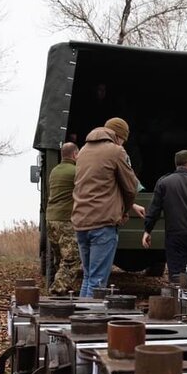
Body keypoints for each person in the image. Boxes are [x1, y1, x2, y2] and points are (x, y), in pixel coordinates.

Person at [72, 117, 143, 297]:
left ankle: (80, 319)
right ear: (119, 137)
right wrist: (125, 210)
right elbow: (130, 187)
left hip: (81, 222)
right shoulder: (116, 151)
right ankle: (89, 322)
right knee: (97, 282)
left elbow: (99, 186)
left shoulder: (83, 151)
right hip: (102, 224)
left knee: (88, 277)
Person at [142, 149, 187, 282]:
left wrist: (148, 230)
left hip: (175, 236)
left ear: (177, 165)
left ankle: (178, 299)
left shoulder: (164, 183)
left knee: (176, 274)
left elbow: (154, 209)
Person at [46, 142, 81, 294]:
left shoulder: (54, 171)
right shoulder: (75, 171)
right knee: (71, 259)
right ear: (74, 154)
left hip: (51, 219)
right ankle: (57, 290)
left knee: (59, 258)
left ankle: (63, 289)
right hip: (65, 221)